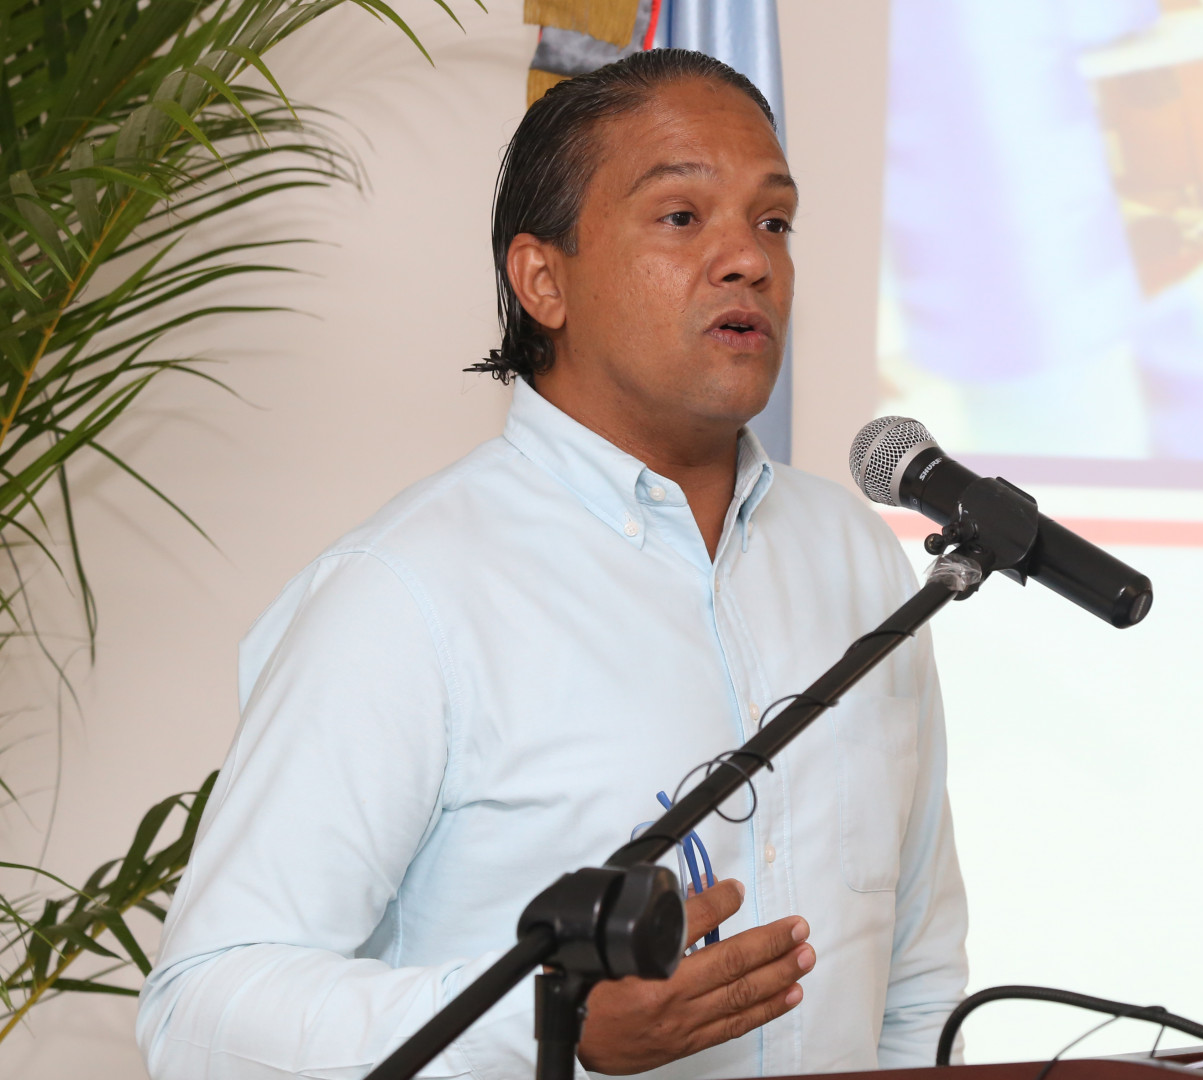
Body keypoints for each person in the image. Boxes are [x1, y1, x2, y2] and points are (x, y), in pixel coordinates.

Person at [137, 49, 968, 1080]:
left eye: (774, 221)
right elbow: (203, 1010)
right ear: (543, 280)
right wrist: (549, 1025)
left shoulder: (854, 559)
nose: (748, 260)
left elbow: (917, 973)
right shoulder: (406, 592)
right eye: (681, 216)